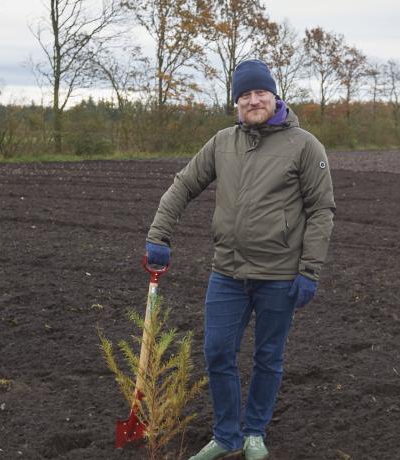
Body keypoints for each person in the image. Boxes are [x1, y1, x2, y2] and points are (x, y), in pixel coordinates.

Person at [144, 59, 335, 460]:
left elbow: (321, 211)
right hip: (227, 272)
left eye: (259, 92)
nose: (253, 101)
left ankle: (254, 433)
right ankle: (227, 435)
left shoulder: (304, 146)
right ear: (236, 103)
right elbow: (184, 185)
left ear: (274, 95)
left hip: (280, 275)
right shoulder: (221, 143)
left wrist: (310, 269)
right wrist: (159, 233)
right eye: (244, 95)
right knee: (216, 351)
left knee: (268, 356)